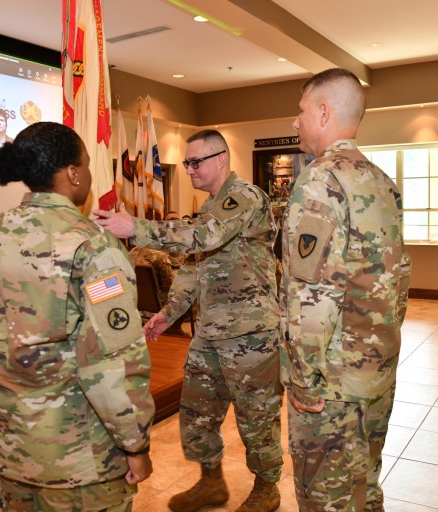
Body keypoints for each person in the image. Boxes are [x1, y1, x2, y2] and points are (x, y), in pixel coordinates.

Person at [0, 122, 155, 512]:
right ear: (73, 173)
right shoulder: (93, 246)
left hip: (4, 447)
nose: (91, 175)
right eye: (88, 166)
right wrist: (135, 442)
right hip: (78, 460)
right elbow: (110, 362)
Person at [93, 129, 283, 512]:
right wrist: (168, 313)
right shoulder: (212, 205)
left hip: (250, 333)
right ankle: (211, 483)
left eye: (196, 162)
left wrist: (137, 229)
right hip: (211, 331)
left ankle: (267, 488)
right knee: (197, 411)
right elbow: (196, 267)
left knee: (256, 415)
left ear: (221, 160)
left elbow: (204, 238)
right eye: (187, 163)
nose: (190, 169)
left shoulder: (243, 197)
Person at [279, 68, 412, 511]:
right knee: (366, 486)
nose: (295, 122)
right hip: (376, 371)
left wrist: (303, 381)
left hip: (333, 385)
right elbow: (398, 278)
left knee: (326, 498)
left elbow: (311, 297)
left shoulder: (320, 180)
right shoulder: (381, 181)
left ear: (323, 112)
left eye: (300, 112)